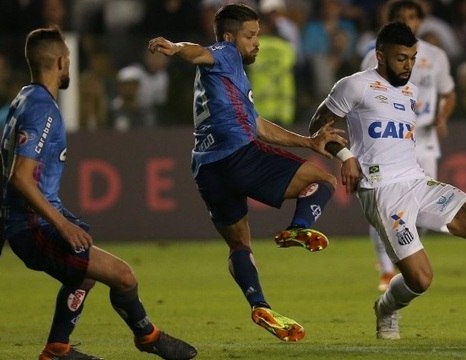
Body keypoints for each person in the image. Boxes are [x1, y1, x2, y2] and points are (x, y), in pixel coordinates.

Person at [308, 21, 466, 340]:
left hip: (418, 182)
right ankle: (386, 308)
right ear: (380, 57)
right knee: (421, 279)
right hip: (382, 192)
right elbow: (317, 129)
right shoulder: (354, 86)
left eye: (412, 57)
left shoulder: (412, 92)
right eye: (401, 58)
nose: (408, 65)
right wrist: (346, 156)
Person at [0, 27, 197, 360]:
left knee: (85, 275)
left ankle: (57, 348)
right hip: (36, 225)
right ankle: (147, 336)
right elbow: (20, 178)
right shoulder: (41, 110)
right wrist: (61, 226)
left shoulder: (23, 99)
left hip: (27, 223)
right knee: (123, 276)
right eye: (68, 58)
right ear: (62, 61)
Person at [147, 3, 346, 342]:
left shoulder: (227, 77)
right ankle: (299, 227)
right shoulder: (224, 53)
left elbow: (258, 125)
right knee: (323, 179)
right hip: (239, 154)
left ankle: (259, 304)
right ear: (229, 37)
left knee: (240, 244)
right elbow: (198, 53)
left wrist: (308, 141)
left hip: (206, 168)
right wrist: (176, 47)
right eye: (251, 36)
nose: (258, 43)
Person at [360, 0, 455, 291]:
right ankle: (387, 270)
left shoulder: (436, 56)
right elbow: (362, 97)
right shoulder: (371, 59)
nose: (408, 21)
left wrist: (442, 116)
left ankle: (407, 261)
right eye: (401, 17)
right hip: (389, 140)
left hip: (424, 141)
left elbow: (448, 93)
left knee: (422, 212)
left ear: (420, 21)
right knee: (384, 206)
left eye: (412, 17)